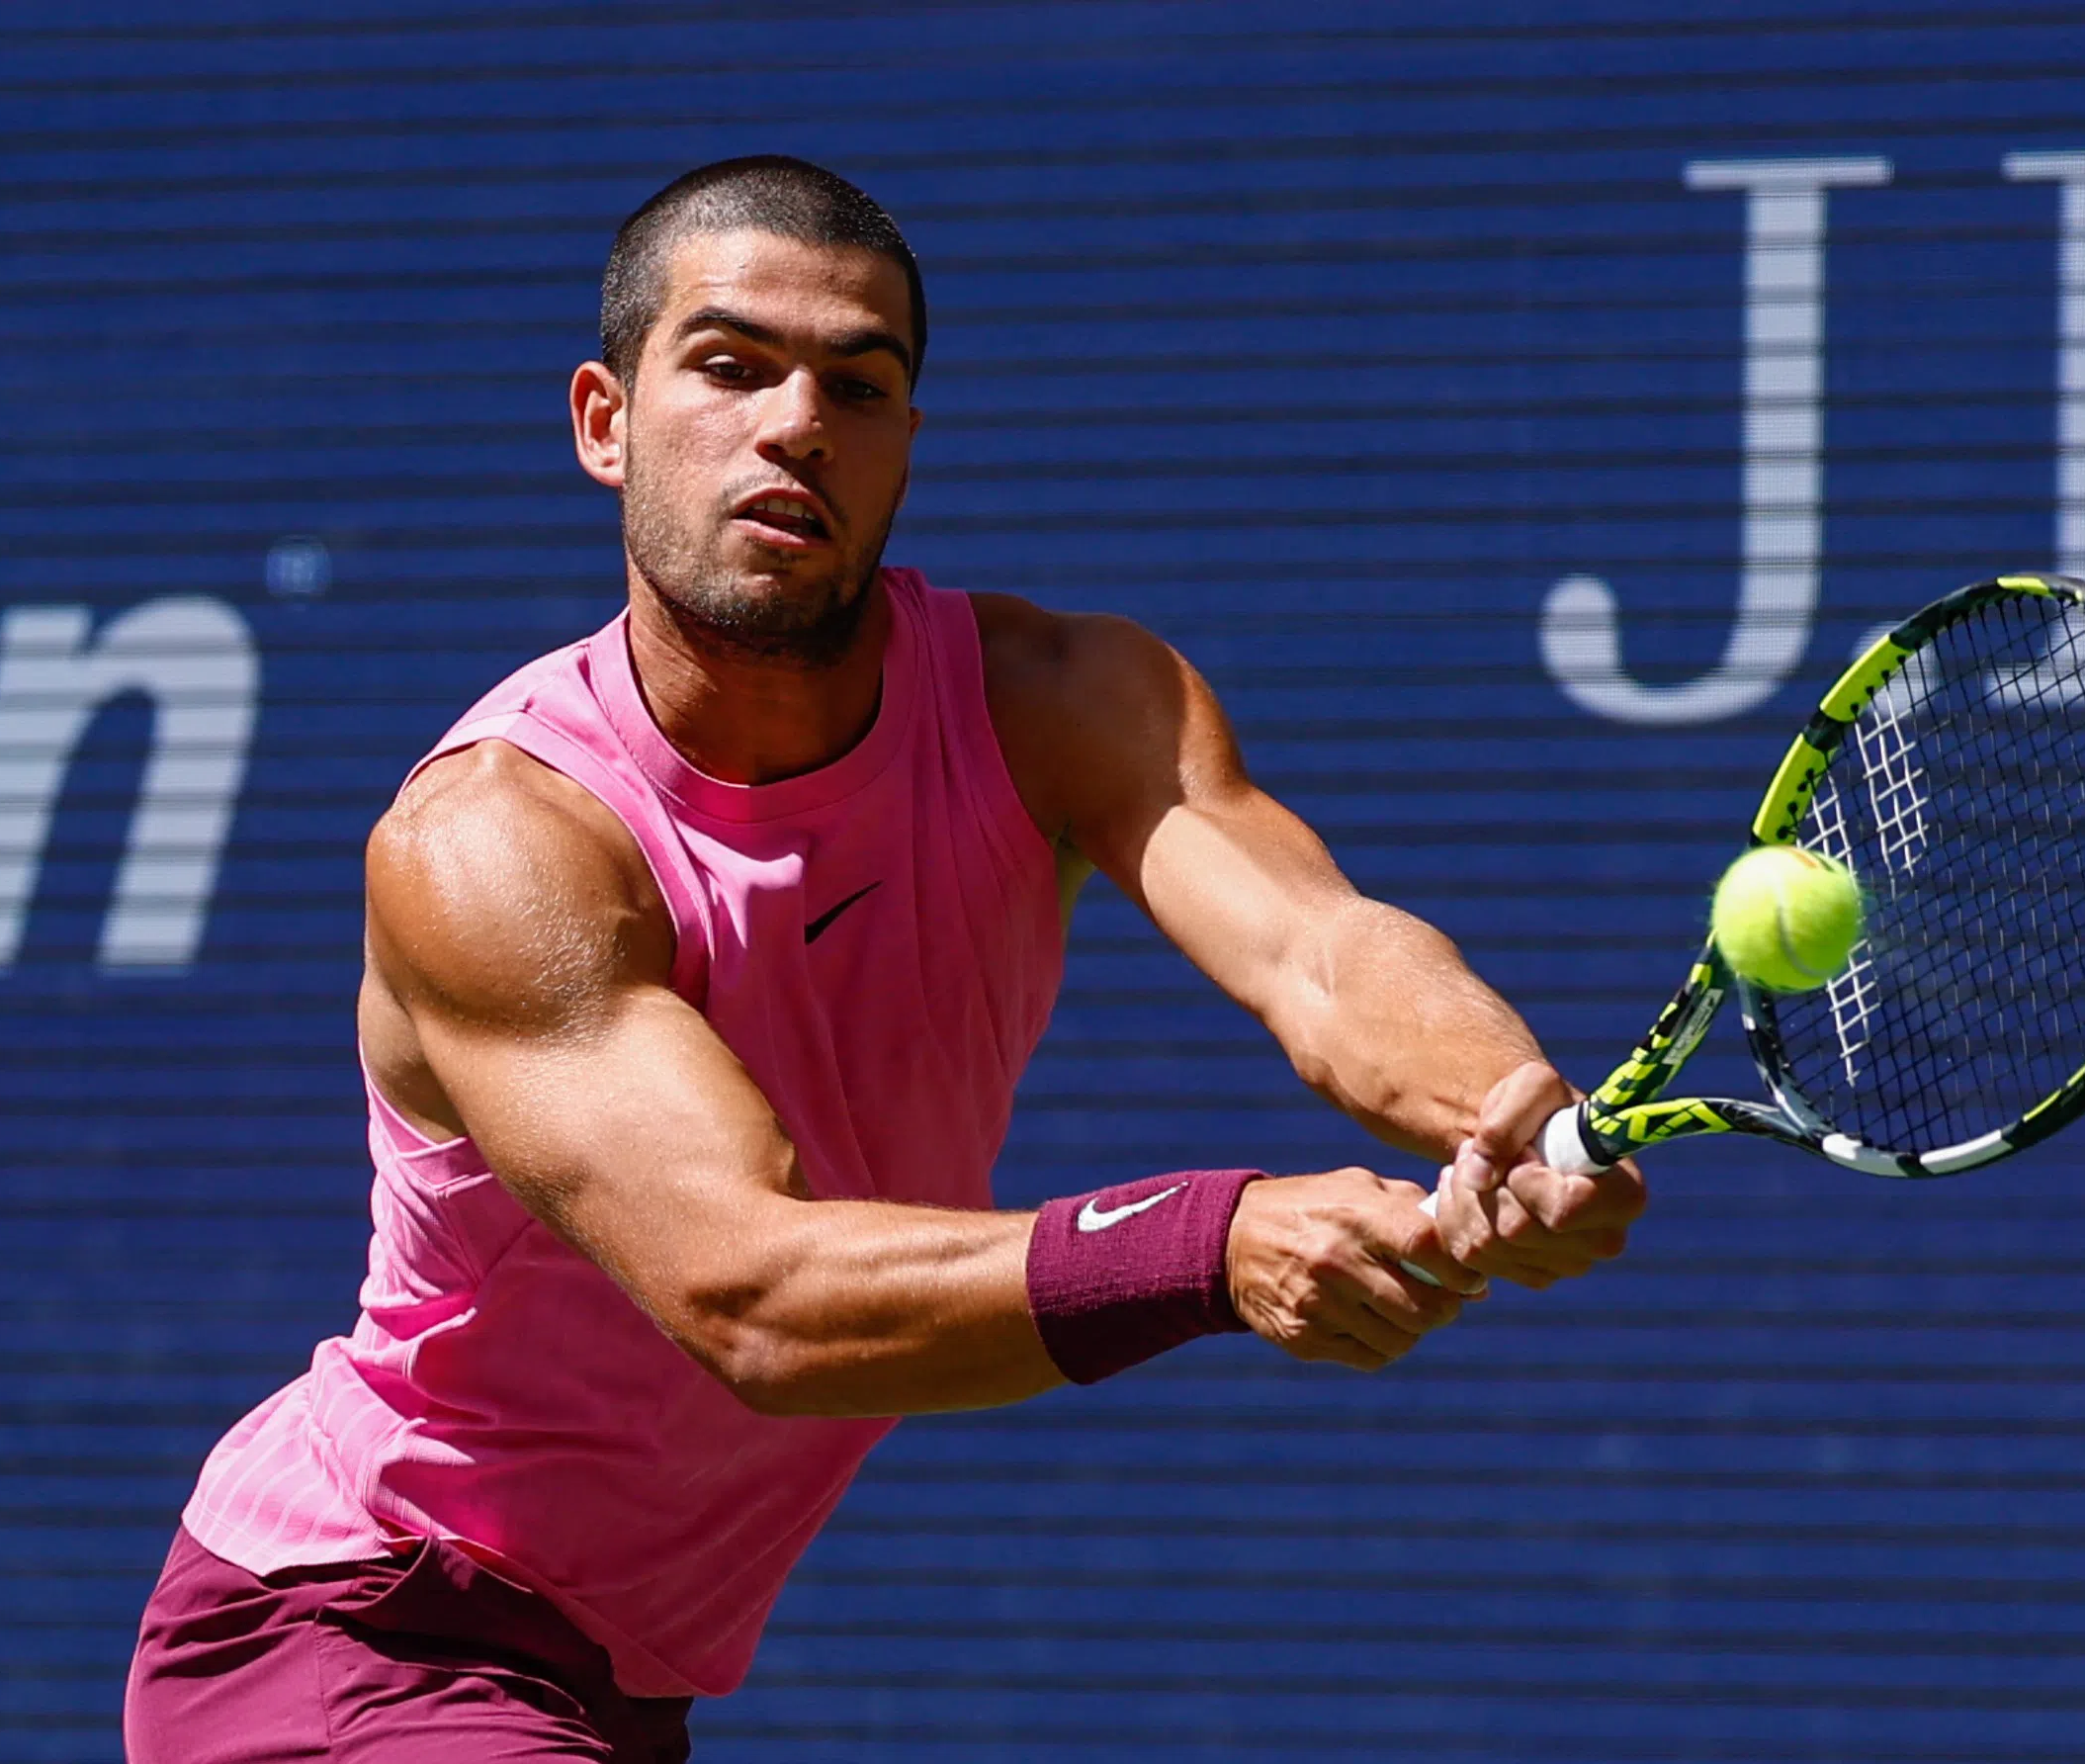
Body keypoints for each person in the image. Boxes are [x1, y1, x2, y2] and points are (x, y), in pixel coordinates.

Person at [124, 155, 1647, 1763]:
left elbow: (1320, 954)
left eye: (857, 386)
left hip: (616, 1682)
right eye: (728, 366)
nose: (793, 424)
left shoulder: (1061, 699)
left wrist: (1517, 1122)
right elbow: (753, 1298)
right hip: (363, 1623)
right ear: (603, 422)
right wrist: (1208, 1244)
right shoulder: (499, 845)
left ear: (903, 449)